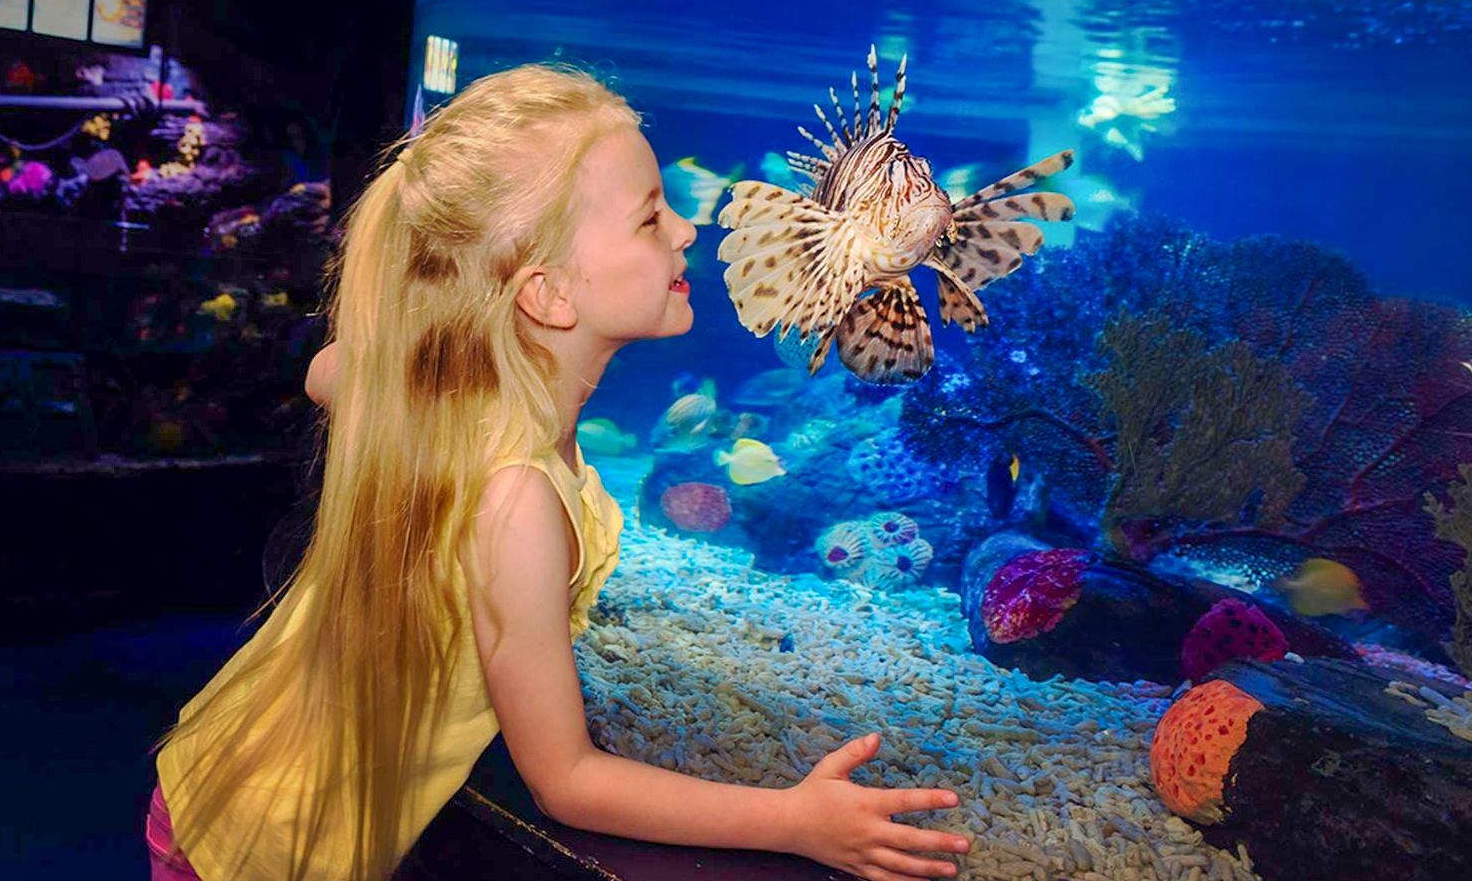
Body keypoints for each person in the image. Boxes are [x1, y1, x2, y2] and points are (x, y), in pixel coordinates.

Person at [147, 63, 971, 881]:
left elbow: (327, 370)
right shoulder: (516, 498)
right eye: (650, 217)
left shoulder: (462, 408)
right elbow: (566, 780)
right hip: (258, 846)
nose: (686, 230)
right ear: (546, 294)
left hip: (224, 769)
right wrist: (792, 822)